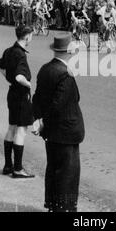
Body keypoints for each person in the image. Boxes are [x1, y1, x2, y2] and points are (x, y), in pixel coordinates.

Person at [32, 31, 85, 212]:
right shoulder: (65, 74)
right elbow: (59, 105)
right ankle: (65, 208)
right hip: (66, 132)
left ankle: (54, 206)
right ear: (69, 52)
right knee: (68, 174)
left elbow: (37, 98)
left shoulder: (45, 69)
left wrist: (38, 120)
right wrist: (45, 121)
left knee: (53, 170)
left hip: (51, 133)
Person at [0, 25, 35, 179]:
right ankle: (18, 168)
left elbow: (0, 66)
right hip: (21, 94)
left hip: (12, 92)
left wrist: (8, 77)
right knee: (21, 130)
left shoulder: (9, 50)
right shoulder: (20, 54)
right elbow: (20, 76)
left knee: (11, 127)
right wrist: (28, 84)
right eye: (31, 35)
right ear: (26, 37)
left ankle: (8, 165)